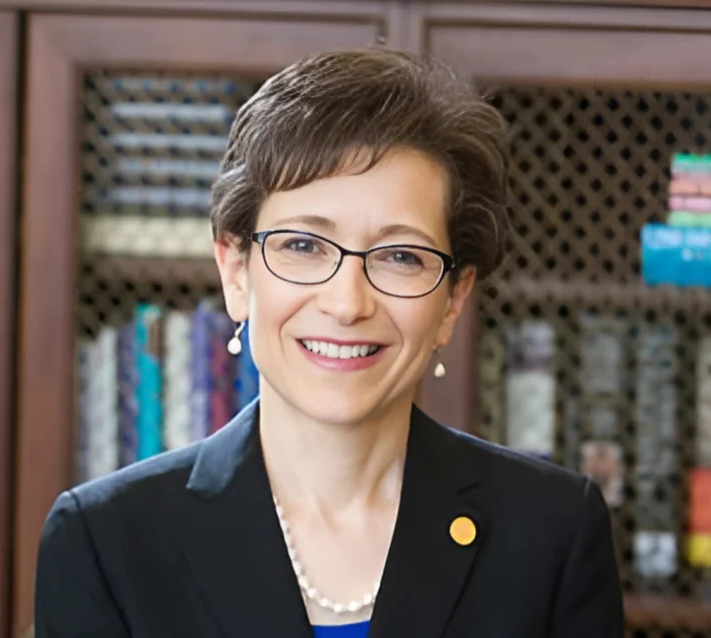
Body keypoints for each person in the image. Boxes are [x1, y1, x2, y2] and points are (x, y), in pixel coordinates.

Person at [34, 48, 625, 638]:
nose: (347, 304)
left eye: (401, 256)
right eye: (303, 246)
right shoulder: (105, 542)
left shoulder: (553, 533)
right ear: (236, 272)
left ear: (453, 300)